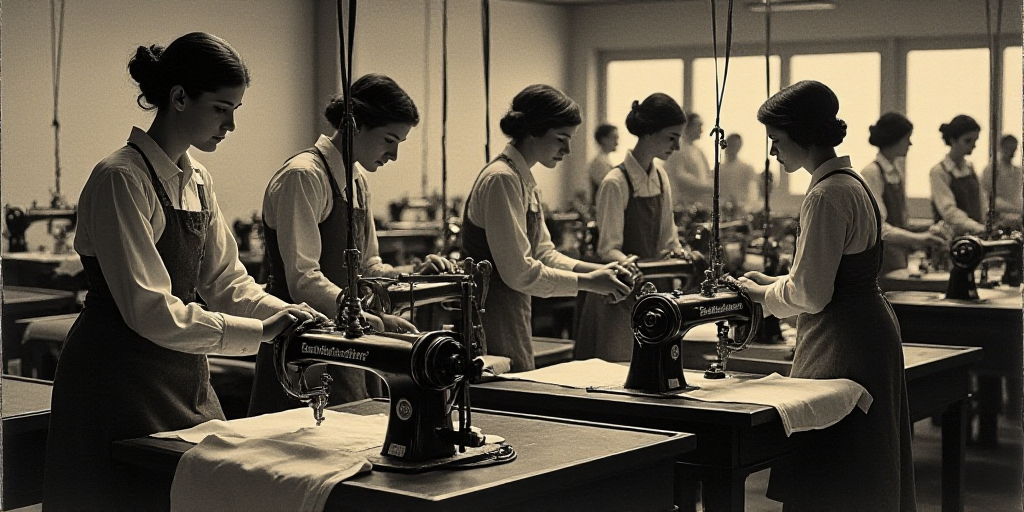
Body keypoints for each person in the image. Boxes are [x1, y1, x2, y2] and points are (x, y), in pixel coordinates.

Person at [42, 32, 322, 511]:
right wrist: (260, 332)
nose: (231, 124)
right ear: (178, 98)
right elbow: (150, 310)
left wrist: (290, 315)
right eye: (220, 108)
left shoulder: (196, 179)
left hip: (181, 375)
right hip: (116, 381)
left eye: (235, 109)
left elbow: (225, 281)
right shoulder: (121, 179)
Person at [737, 80, 917, 511]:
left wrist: (760, 295)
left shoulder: (825, 194)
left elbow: (811, 294)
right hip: (864, 326)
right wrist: (776, 280)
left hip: (844, 338)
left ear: (803, 135)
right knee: (860, 460)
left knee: (836, 463)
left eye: (776, 140)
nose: (773, 152)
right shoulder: (852, 183)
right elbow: (822, 274)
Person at [249, 74, 455, 416]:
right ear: (355, 124)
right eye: (389, 139)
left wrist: (414, 277)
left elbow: (369, 267)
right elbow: (303, 279)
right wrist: (374, 320)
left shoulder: (357, 181)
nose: (394, 154)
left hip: (348, 336)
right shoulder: (303, 176)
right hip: (303, 345)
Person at [461, 84, 632, 372]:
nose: (566, 150)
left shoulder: (523, 180)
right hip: (490, 313)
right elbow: (520, 272)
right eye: (561, 139)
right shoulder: (501, 179)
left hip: (513, 307)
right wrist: (590, 283)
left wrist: (596, 272)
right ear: (533, 131)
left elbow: (544, 253)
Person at [574, 93, 686, 361]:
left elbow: (668, 239)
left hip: (653, 291)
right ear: (649, 133)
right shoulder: (615, 182)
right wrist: (633, 267)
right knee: (617, 373)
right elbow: (608, 248)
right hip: (619, 293)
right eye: (672, 137)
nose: (677, 146)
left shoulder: (661, 177)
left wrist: (681, 258)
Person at [862, 112, 946, 277]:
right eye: (907, 138)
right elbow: (879, 228)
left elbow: (900, 222)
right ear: (894, 139)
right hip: (880, 263)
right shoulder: (872, 173)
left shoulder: (895, 173)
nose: (910, 143)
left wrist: (930, 229)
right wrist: (921, 239)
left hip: (898, 261)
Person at [930, 114, 987, 236]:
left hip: (975, 234)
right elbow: (948, 211)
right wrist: (974, 226)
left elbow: (981, 201)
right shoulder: (939, 172)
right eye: (968, 140)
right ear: (953, 140)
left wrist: (984, 224)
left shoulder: (970, 168)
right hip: (950, 238)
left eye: (975, 141)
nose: (973, 145)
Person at [663, 111, 713, 209]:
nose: (701, 130)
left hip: (697, 204)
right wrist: (704, 186)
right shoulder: (677, 148)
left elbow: (707, 174)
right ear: (687, 126)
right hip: (681, 203)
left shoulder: (698, 151)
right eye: (698, 126)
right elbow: (680, 175)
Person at [981, 134, 1023, 229]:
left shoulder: (1018, 171)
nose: (1012, 152)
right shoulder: (992, 169)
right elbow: (987, 198)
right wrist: (1017, 210)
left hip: (1017, 216)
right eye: (1009, 148)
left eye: (1014, 149)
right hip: (998, 218)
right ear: (1001, 148)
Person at [719, 133, 759, 215]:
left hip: (742, 212)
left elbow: (752, 192)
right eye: (730, 145)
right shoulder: (719, 169)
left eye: (735, 146)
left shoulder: (747, 168)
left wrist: (746, 208)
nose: (732, 148)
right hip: (722, 211)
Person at [587, 123, 619, 205]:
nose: (616, 143)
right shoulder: (599, 162)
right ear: (603, 140)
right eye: (614, 138)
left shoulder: (605, 160)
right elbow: (609, 188)